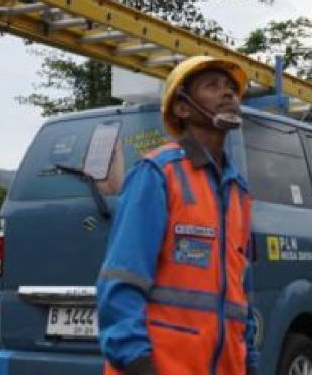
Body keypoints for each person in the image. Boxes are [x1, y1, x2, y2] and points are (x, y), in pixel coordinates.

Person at [97, 56, 259, 374]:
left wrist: (249, 359)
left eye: (230, 88)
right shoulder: (157, 174)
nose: (227, 93)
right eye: (212, 86)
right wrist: (137, 361)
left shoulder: (239, 191)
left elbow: (241, 288)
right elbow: (122, 279)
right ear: (182, 108)